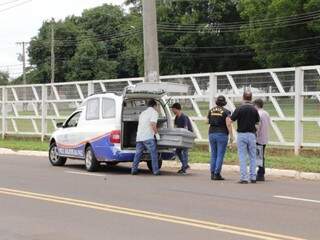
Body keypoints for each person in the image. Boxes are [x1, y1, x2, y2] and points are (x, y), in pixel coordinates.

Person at [228, 91, 260, 184]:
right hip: (252, 134)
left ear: (243, 97)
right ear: (251, 98)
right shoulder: (254, 109)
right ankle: (253, 177)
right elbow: (257, 123)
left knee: (242, 156)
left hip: (241, 134)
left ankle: (244, 178)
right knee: (253, 156)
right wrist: (255, 132)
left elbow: (231, 120)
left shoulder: (239, 109)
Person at [131, 99, 161, 176]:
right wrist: (157, 134)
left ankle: (134, 170)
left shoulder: (143, 113)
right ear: (154, 106)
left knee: (138, 154)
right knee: (153, 154)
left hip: (139, 137)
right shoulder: (154, 112)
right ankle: (155, 171)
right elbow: (153, 124)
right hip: (148, 137)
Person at [208, 95, 234, 181]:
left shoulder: (211, 110)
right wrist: (231, 136)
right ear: (224, 103)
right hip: (222, 134)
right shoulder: (226, 112)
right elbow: (228, 124)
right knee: (220, 154)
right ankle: (217, 174)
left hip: (211, 133)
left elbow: (207, 121)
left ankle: (212, 173)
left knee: (213, 154)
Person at [171, 103, 193, 175]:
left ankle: (184, 168)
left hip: (186, 137)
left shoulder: (184, 117)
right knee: (177, 151)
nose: (172, 111)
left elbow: (186, 128)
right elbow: (175, 127)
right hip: (180, 137)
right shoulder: (176, 118)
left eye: (173, 109)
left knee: (185, 152)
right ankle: (185, 165)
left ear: (176, 109)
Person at [253, 99, 270, 181]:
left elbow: (257, 127)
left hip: (259, 138)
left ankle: (260, 174)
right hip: (264, 137)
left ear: (256, 105)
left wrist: (255, 136)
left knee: (259, 156)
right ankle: (261, 172)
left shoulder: (258, 114)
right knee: (261, 156)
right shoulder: (266, 113)